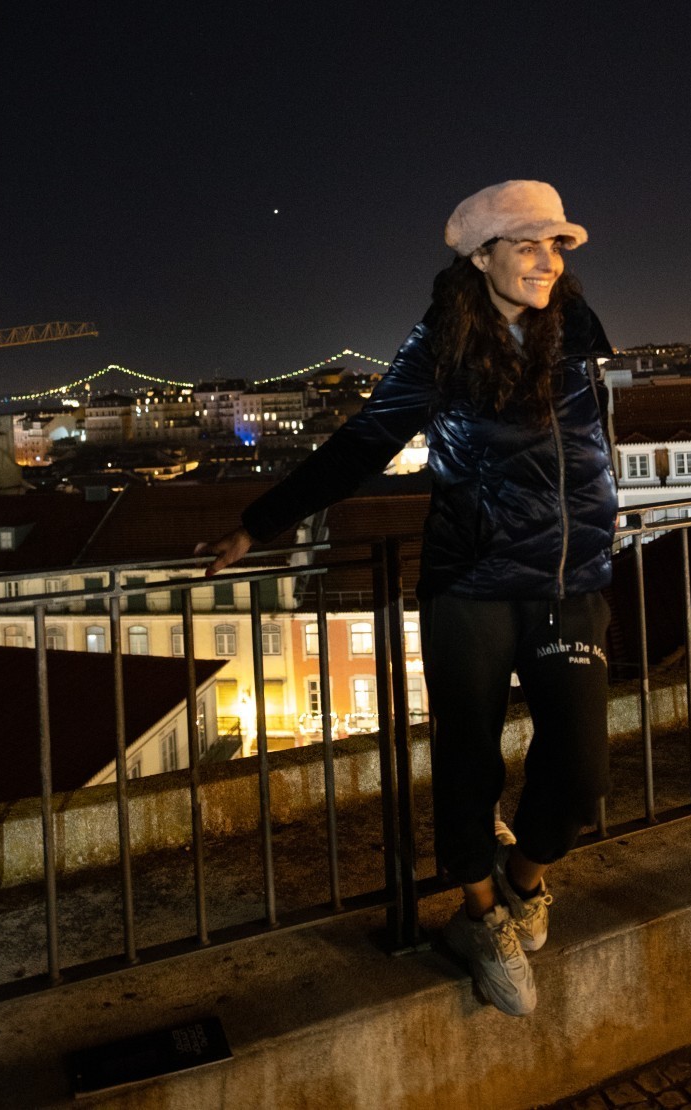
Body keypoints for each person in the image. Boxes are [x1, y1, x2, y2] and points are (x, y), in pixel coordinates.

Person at [196, 180, 616, 1017]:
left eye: (556, 245)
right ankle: (480, 916)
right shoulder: (442, 345)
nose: (546, 262)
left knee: (579, 774)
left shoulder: (575, 328)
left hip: (569, 582)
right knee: (469, 760)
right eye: (527, 246)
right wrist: (260, 523)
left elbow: (595, 442)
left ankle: (524, 883)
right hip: (472, 582)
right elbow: (363, 442)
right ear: (482, 257)